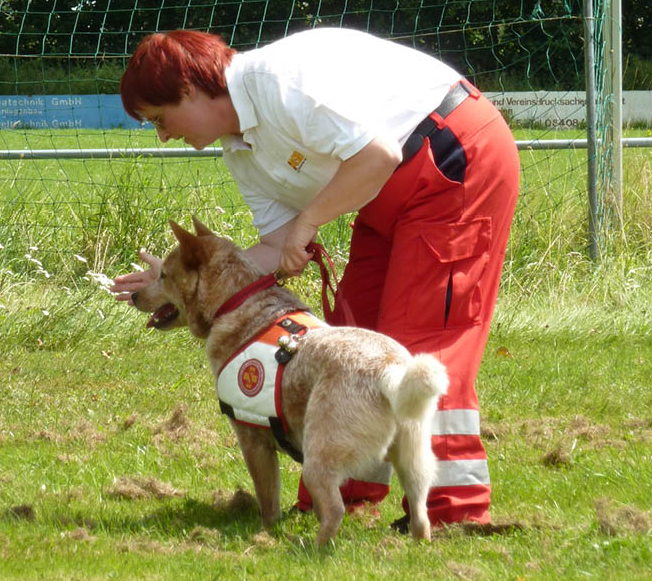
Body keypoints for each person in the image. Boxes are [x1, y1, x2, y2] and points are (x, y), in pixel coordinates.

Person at [111, 27, 519, 529]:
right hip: (385, 199)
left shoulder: (277, 81)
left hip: (451, 154)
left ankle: (454, 513)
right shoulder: (240, 151)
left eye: (159, 118)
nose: (164, 135)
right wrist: (179, 278)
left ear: (188, 90)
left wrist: (307, 222)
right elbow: (276, 248)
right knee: (360, 339)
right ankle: (344, 493)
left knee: (420, 342)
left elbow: (378, 155)